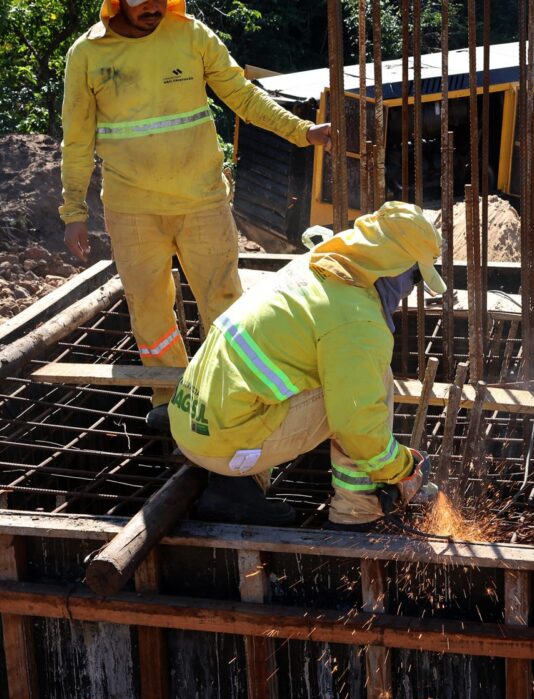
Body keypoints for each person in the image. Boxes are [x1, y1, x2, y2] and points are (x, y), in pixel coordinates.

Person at [58, 0, 332, 430]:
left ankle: (229, 393)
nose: (150, 5)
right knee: (149, 306)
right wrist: (74, 209)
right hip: (132, 208)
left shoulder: (191, 35)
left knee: (223, 301)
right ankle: (170, 395)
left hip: (201, 200)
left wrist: (302, 131)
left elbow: (243, 96)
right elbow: (75, 139)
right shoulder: (88, 53)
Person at [168, 202, 443, 528]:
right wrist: (401, 467)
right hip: (224, 445)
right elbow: (358, 424)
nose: (409, 289)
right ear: (394, 266)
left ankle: (234, 491)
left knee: (333, 380)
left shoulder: (315, 268)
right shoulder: (358, 321)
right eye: (413, 277)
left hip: (190, 423)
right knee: (365, 390)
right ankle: (356, 513)